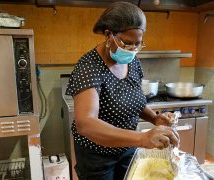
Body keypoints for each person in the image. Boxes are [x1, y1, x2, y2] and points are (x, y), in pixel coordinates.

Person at [65, 1, 179, 180]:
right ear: (109, 34)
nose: (132, 50)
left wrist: (154, 118)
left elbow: (132, 101)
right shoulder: (89, 67)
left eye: (138, 44)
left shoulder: (132, 62)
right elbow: (85, 124)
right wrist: (142, 139)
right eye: (126, 43)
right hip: (97, 157)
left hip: (127, 149)